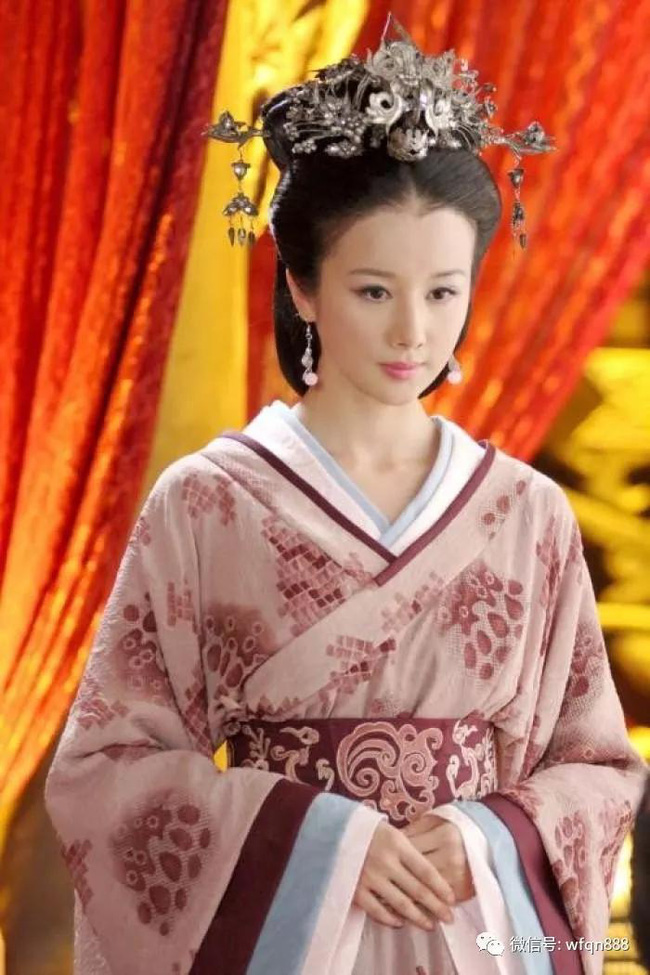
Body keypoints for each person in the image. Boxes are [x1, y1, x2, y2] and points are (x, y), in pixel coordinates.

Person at [44, 16, 647, 975]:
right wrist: (322, 842)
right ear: (303, 287)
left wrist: (489, 835)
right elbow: (106, 770)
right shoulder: (207, 502)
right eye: (374, 291)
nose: (415, 332)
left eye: (444, 292)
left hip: (468, 923)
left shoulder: (524, 510)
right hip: (280, 934)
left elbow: (597, 764)